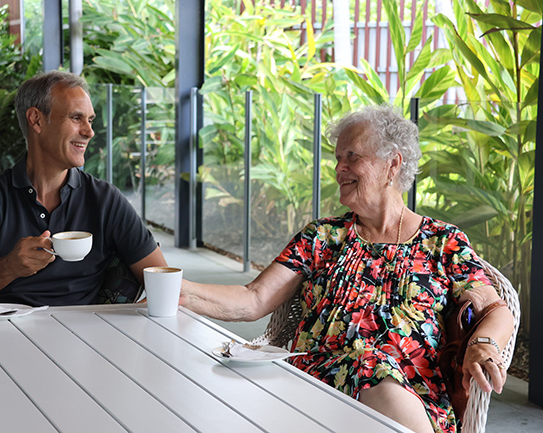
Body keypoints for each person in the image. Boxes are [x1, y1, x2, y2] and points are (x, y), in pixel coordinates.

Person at [180, 105, 513, 433]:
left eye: (352, 156)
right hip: (315, 386)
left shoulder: (443, 242)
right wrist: (176, 291)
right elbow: (253, 298)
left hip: (414, 395)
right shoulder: (323, 236)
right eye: (338, 158)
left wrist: (485, 343)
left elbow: (496, 309)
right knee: (368, 364)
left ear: (392, 165)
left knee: (374, 368)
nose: (340, 168)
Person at [0, 71, 167, 311]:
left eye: (90, 120)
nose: (89, 131)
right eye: (76, 118)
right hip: (2, 339)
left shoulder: (105, 200)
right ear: (36, 120)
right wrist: (8, 268)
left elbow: (164, 282)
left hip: (85, 339)